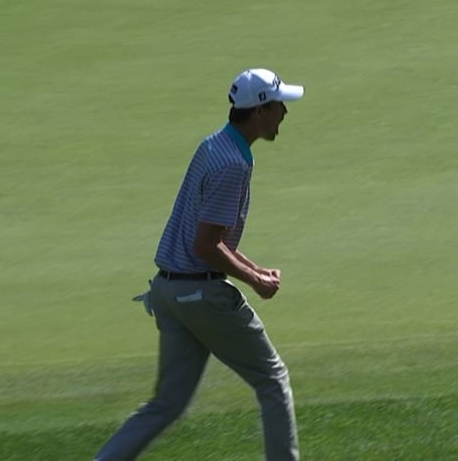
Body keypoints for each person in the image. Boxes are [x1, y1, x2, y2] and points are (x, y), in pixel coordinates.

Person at [94, 68, 305, 461]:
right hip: (200, 293)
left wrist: (255, 269)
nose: (284, 113)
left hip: (169, 291)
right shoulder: (232, 165)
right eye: (279, 106)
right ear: (259, 111)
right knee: (273, 379)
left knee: (167, 403)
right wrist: (254, 282)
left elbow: (212, 241)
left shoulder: (216, 145)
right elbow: (206, 246)